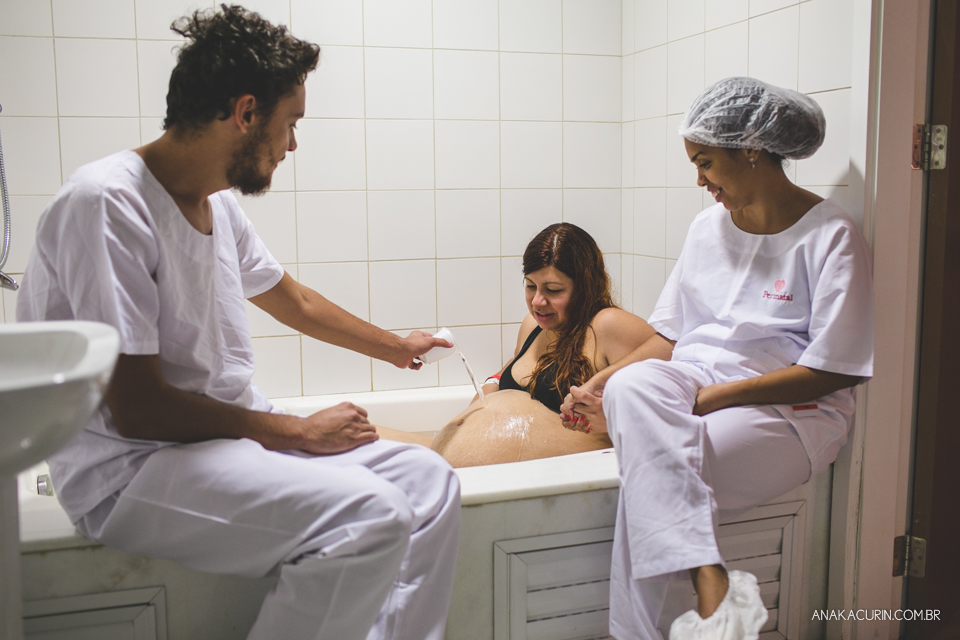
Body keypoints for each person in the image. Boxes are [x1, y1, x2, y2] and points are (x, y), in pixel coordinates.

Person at [17, 7, 460, 640]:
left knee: (429, 480)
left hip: (217, 446)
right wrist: (295, 432)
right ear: (245, 112)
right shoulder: (107, 204)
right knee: (372, 515)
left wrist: (397, 347)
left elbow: (293, 301)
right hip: (132, 467)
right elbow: (137, 409)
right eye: (291, 124)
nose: (293, 145)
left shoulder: (215, 204)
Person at [561, 77, 874, 640]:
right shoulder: (706, 229)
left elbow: (835, 368)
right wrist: (601, 384)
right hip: (692, 383)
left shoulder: (830, 235)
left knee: (661, 469)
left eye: (705, 162)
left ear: (751, 148)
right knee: (635, 395)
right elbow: (667, 341)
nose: (700, 180)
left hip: (788, 410)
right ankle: (710, 578)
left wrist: (710, 399)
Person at [379, 223, 664, 467]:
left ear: (585, 286)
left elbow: (671, 397)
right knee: (367, 436)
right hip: (488, 469)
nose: (538, 301)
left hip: (568, 476)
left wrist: (613, 415)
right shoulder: (534, 326)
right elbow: (511, 374)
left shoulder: (609, 326)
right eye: (530, 286)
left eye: (553, 290)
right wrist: (486, 399)